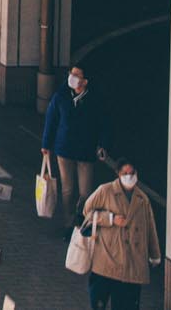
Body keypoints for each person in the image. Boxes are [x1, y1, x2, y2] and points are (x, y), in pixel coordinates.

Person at [79, 159, 161, 309]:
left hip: (132, 264)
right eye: (125, 173)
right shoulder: (105, 191)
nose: (129, 176)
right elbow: (87, 212)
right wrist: (110, 219)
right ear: (118, 173)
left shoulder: (142, 199)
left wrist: (155, 255)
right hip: (107, 260)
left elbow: (150, 228)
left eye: (132, 173)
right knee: (98, 302)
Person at [41, 62, 109, 226]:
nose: (72, 78)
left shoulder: (94, 99)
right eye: (71, 74)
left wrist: (103, 144)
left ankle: (80, 217)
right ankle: (69, 222)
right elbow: (51, 120)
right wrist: (46, 144)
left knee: (86, 191)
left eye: (77, 75)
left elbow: (104, 123)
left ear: (85, 81)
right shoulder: (61, 96)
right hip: (64, 150)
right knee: (68, 190)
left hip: (86, 151)